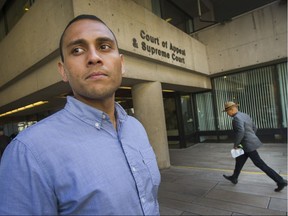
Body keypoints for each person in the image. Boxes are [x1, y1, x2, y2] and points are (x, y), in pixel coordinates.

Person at [0, 14, 161, 215]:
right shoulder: (28, 153)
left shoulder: (136, 128)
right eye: (77, 50)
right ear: (63, 71)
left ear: (122, 64)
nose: (94, 57)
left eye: (104, 46)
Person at [222, 101, 287, 192]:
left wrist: (236, 145)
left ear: (231, 110)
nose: (227, 114)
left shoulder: (236, 118)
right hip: (246, 144)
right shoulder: (245, 115)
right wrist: (251, 137)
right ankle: (234, 177)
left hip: (247, 145)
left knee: (260, 164)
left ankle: (280, 181)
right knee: (239, 160)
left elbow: (240, 132)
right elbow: (254, 127)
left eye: (227, 112)